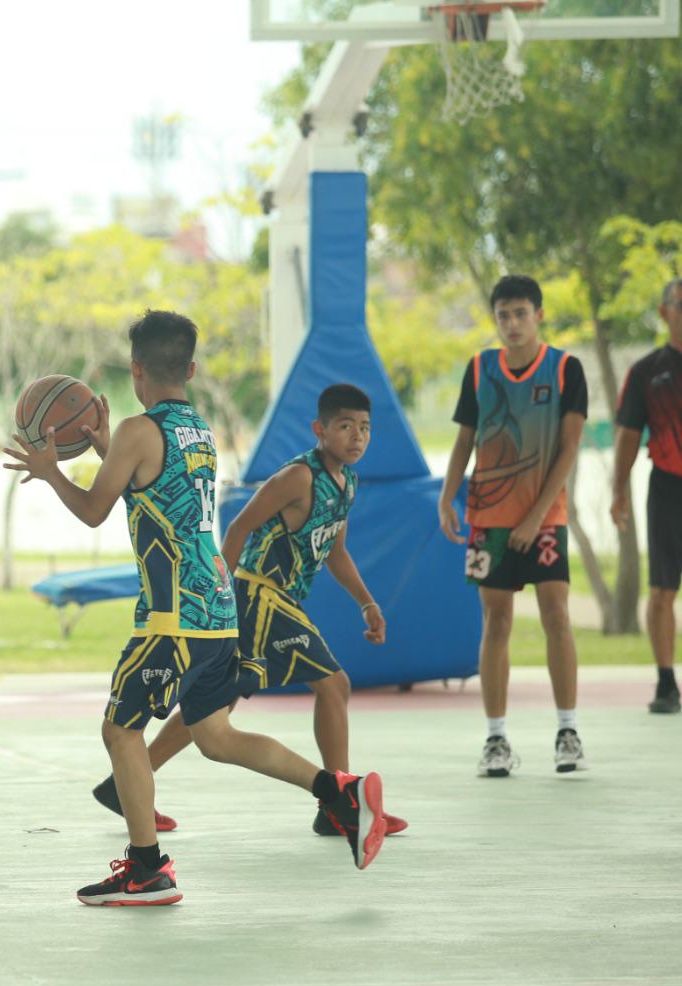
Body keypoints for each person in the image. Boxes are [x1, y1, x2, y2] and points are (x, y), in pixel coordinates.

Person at [4, 309, 387, 907]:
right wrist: (105, 441)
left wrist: (53, 472)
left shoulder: (138, 430)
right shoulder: (197, 430)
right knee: (215, 736)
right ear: (191, 368)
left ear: (135, 370)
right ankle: (338, 791)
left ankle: (146, 869)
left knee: (120, 730)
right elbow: (147, 484)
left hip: (171, 617)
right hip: (217, 612)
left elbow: (95, 508)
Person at [94, 384, 409, 837]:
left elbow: (335, 550)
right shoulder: (298, 477)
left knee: (215, 713)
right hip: (257, 595)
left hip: (277, 600)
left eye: (365, 429)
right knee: (334, 684)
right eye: (345, 427)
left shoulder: (347, 484)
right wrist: (224, 594)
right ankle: (338, 801)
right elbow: (239, 528)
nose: (357, 437)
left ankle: (122, 782)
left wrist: (367, 601)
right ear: (320, 430)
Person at [438, 274, 589, 776]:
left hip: (546, 517)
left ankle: (568, 731)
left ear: (539, 315)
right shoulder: (480, 368)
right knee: (496, 622)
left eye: (521, 313)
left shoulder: (566, 369)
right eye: (503, 315)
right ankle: (496, 739)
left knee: (556, 615)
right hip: (488, 519)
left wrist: (535, 516)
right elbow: (464, 441)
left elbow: (568, 450)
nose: (512, 323)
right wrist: (447, 496)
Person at [612, 278, 682, 715]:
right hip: (668, 489)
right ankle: (665, 682)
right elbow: (627, 437)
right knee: (661, 589)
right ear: (664, 312)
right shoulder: (646, 372)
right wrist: (618, 489)